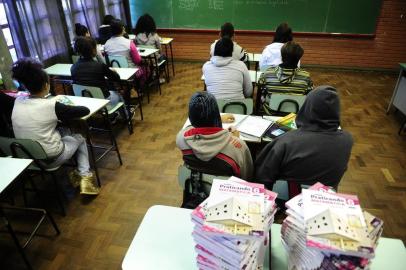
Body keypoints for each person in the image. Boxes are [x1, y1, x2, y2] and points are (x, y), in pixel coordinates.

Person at [11, 58, 100, 195]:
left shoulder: (18, 101)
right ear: (46, 85)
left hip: (28, 157)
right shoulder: (51, 105)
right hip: (50, 158)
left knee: (63, 130)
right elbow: (84, 111)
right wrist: (61, 104)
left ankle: (78, 173)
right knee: (80, 137)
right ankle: (85, 176)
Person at [255, 86, 353, 190]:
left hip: (284, 200)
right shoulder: (347, 140)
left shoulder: (286, 141)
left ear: (307, 107)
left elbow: (263, 176)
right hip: (324, 200)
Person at [176, 92, 253, 180]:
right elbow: (247, 177)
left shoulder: (181, 139)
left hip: (197, 189)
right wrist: (235, 138)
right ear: (216, 114)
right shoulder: (239, 146)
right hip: (225, 192)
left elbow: (190, 128)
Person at [258, 41, 313, 115]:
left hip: (271, 113)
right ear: (299, 58)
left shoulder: (268, 73)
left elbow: (260, 87)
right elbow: (308, 96)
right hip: (294, 115)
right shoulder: (305, 76)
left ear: (281, 55)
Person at [71, 36, 124, 109]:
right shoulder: (100, 66)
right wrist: (114, 72)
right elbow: (116, 79)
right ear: (93, 50)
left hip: (85, 102)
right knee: (118, 95)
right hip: (103, 101)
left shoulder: (73, 67)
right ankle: (126, 118)